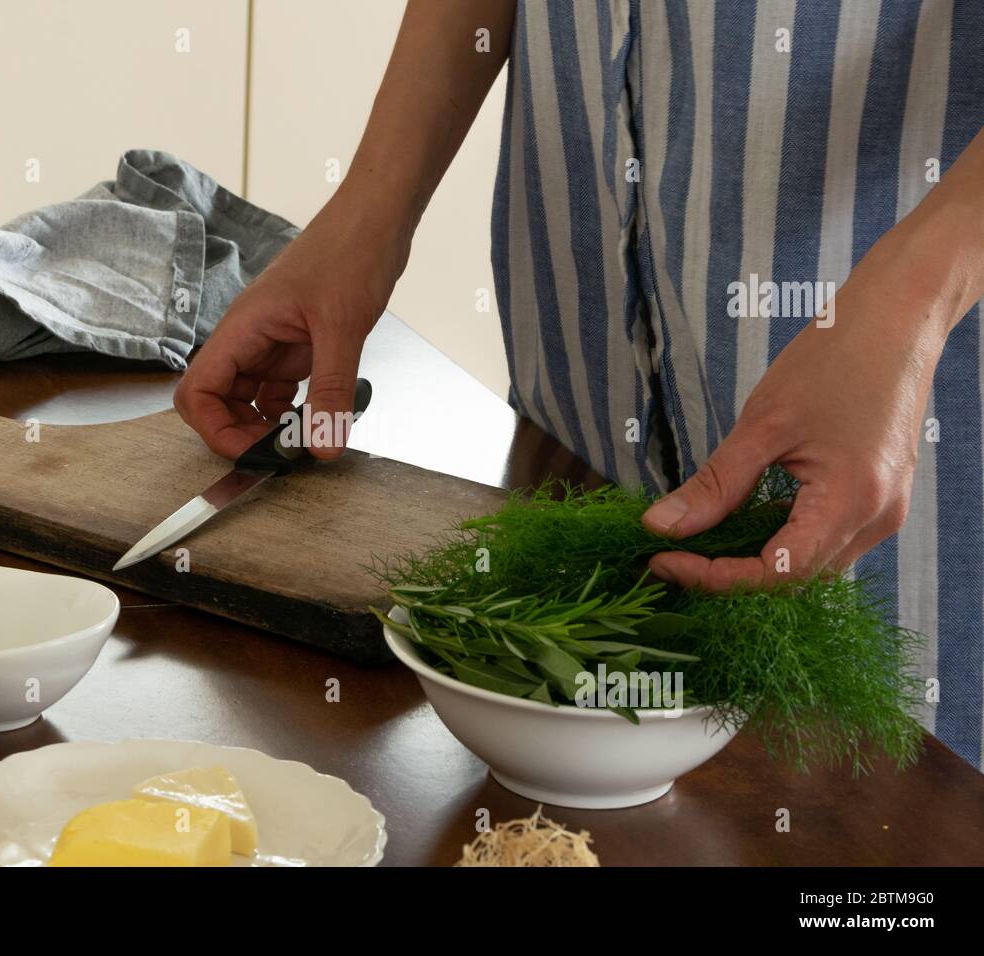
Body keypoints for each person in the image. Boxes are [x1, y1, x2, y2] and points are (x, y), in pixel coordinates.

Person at [173, 0, 984, 769]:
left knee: (877, 853)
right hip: (585, 356)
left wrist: (914, 306)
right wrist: (370, 207)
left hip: (891, 392)